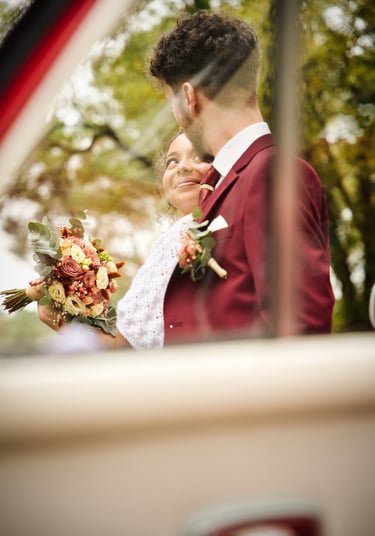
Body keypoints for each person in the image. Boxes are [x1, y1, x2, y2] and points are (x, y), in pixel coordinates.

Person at [147, 10, 335, 344]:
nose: (178, 121)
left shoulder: (271, 173)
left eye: (171, 103)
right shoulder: (227, 180)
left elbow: (300, 332)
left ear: (189, 98)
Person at [37, 132, 212, 350]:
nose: (182, 167)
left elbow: (125, 348)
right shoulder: (174, 237)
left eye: (199, 157)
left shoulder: (186, 233)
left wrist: (58, 321)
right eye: (172, 161)